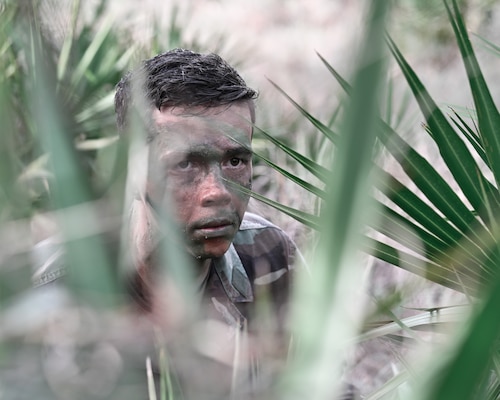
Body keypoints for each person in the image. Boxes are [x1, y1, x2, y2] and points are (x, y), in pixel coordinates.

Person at [113, 48, 299, 397]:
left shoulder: (268, 256)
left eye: (235, 161)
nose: (218, 192)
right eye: (185, 164)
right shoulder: (59, 285)